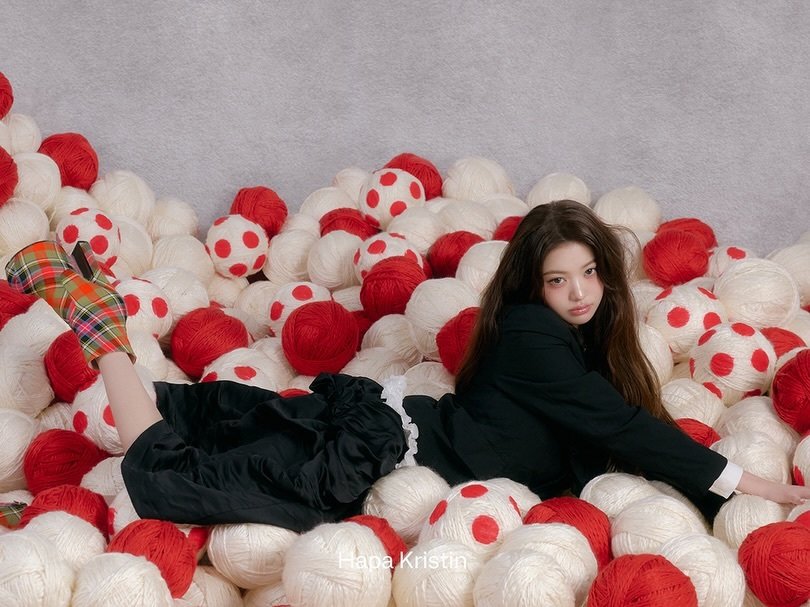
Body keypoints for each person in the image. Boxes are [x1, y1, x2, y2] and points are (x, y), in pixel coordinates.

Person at [6, 200, 808, 531]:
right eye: (558, 278)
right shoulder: (534, 335)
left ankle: (92, 314)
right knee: (180, 481)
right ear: (532, 285)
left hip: (383, 432)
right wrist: (755, 484)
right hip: (376, 450)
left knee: (212, 425)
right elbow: (623, 425)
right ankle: (102, 329)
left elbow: (610, 427)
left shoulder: (559, 343)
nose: (579, 292)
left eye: (590, 273)